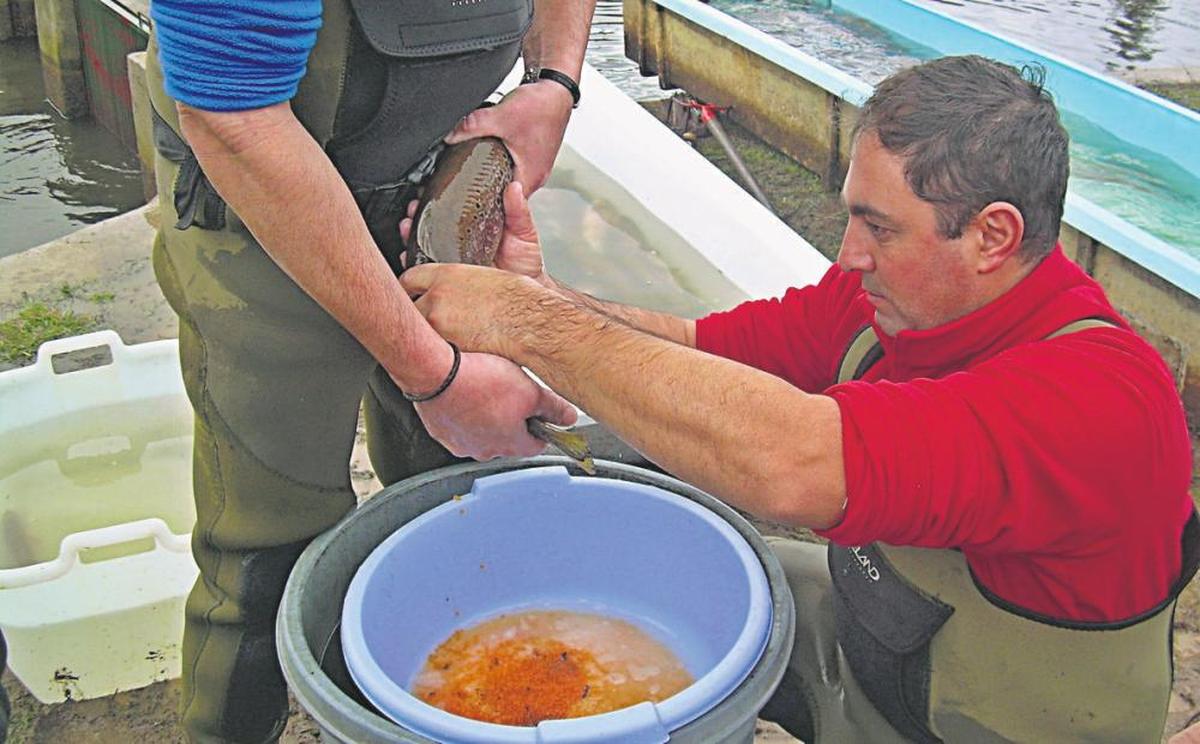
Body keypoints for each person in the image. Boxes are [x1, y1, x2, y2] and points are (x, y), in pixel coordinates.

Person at [401, 55, 1199, 741]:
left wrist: (525, 326)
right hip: (877, 630)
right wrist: (539, 293)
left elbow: (789, 465)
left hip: (990, 722)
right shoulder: (885, 297)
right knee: (646, 561)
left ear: (992, 235)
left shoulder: (1099, 403)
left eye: (878, 228)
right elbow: (694, 352)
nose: (847, 255)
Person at [145, 0, 594, 740]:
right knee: (266, 556)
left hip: (439, 172)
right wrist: (436, 376)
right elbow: (233, 111)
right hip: (259, 192)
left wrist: (553, 82)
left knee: (459, 490)